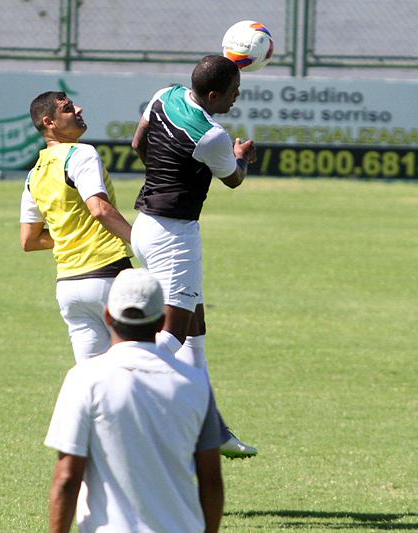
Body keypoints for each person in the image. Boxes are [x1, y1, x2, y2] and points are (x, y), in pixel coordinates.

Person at [131, 54, 258, 459]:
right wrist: (242, 157)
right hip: (175, 236)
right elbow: (234, 180)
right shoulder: (213, 136)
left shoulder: (164, 96)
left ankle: (212, 428)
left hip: (145, 226)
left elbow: (138, 144)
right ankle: (121, 382)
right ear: (215, 94)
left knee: (196, 321)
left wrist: (167, 177)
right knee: (174, 333)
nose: (237, 99)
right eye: (234, 93)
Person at [45, 268, 224, 533]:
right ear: (163, 319)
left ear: (107, 315)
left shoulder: (84, 378)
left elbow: (67, 478)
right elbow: (211, 481)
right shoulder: (195, 382)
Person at [21, 91, 134, 363]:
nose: (79, 109)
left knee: (92, 379)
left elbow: (30, 240)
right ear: (49, 122)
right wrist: (141, 240)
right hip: (108, 275)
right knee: (138, 367)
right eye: (68, 108)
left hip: (70, 287)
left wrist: (70, 232)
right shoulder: (80, 153)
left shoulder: (33, 173)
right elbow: (99, 209)